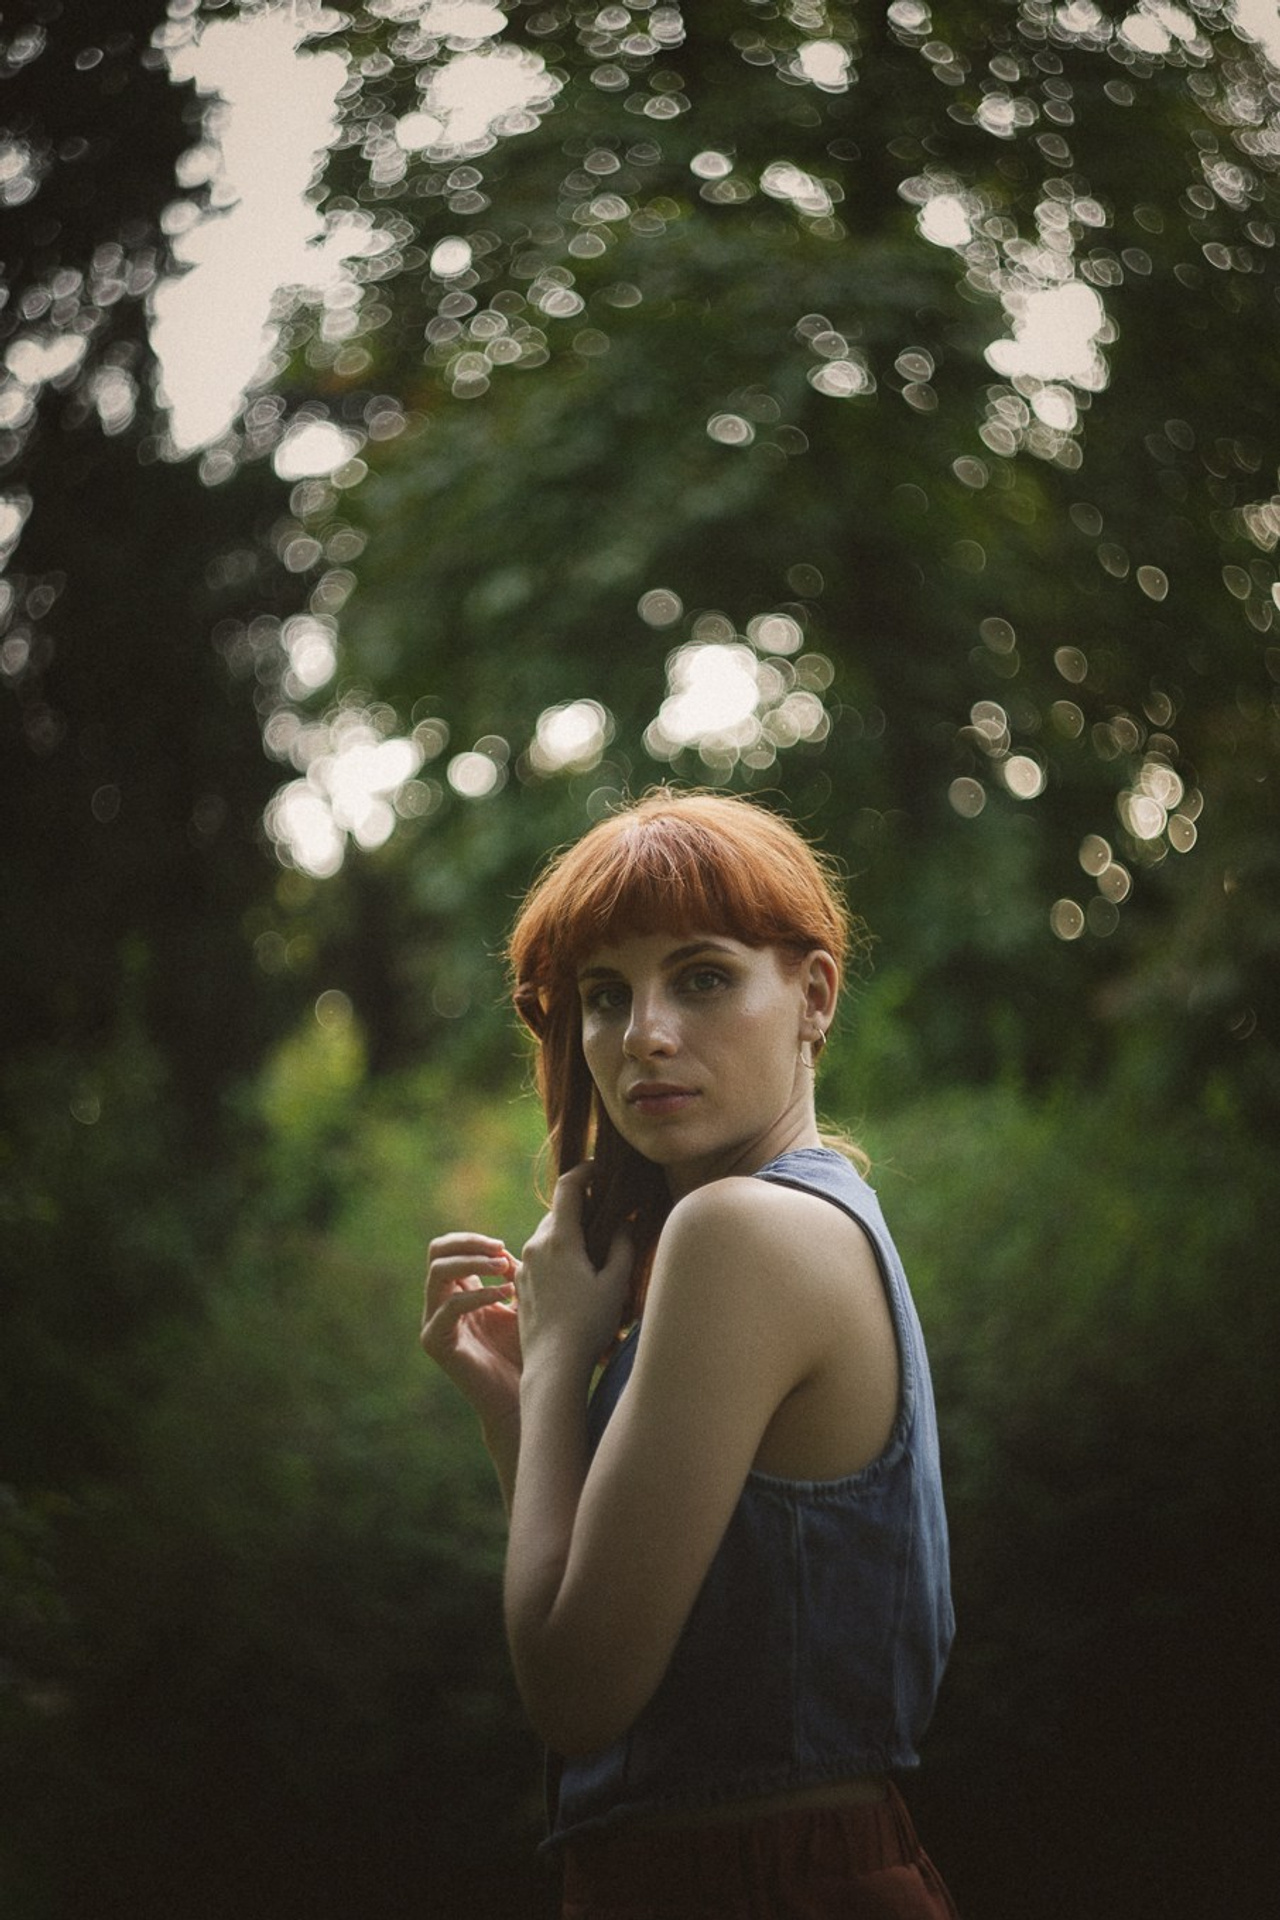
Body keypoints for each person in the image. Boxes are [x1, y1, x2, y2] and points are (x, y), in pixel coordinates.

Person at [421, 790, 959, 1918]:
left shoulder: (744, 1233)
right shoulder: (801, 1224)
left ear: (812, 996)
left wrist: (563, 1354)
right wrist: (516, 1406)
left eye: (702, 977)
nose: (643, 1035)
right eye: (603, 995)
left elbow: (574, 1693)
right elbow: (619, 1610)